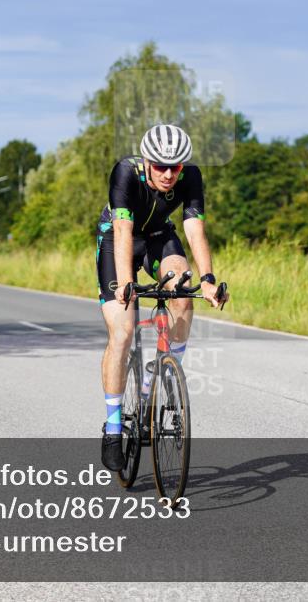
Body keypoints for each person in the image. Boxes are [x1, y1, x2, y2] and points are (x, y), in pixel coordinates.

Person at [95, 124, 228, 471]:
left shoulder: (190, 176)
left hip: (158, 238)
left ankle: (165, 376)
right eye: (160, 167)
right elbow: (123, 230)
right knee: (122, 333)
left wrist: (209, 280)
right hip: (117, 241)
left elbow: (193, 227)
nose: (169, 174)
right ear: (147, 162)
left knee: (183, 293)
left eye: (176, 167)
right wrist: (126, 282)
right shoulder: (126, 172)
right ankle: (112, 427)